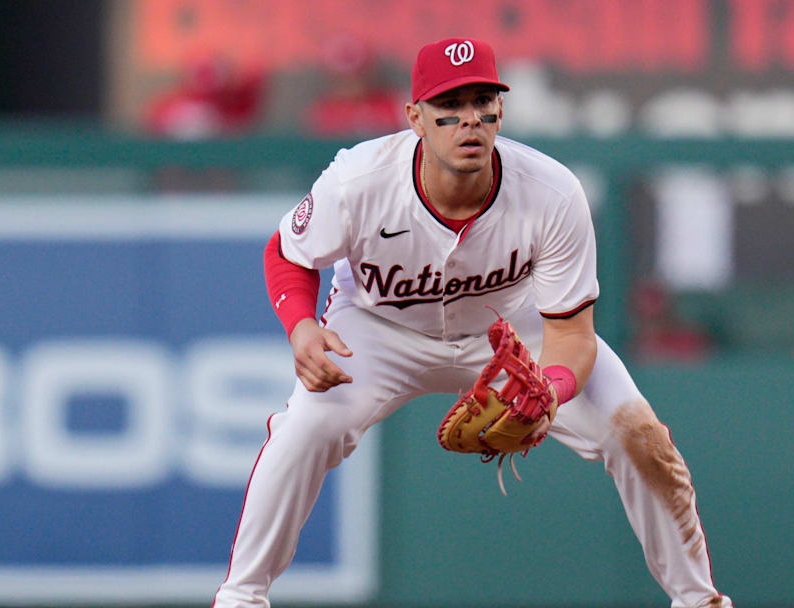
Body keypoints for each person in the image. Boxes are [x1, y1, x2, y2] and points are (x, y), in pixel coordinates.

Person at [212, 38, 733, 608]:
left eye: (482, 102)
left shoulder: (552, 193)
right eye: (449, 106)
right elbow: (288, 253)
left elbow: (573, 336)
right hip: (379, 332)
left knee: (640, 437)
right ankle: (241, 598)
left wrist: (549, 393)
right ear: (415, 118)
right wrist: (301, 327)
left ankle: (697, 601)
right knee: (304, 430)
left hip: (511, 333)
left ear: (500, 112)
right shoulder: (358, 180)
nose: (469, 120)